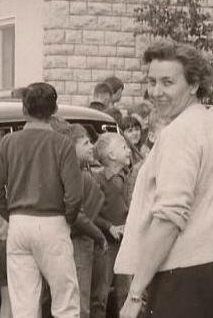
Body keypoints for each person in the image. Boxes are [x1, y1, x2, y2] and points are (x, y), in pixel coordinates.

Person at [115, 41, 213, 318]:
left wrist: (135, 293)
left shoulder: (181, 133)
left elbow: (169, 216)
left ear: (193, 85)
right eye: (152, 82)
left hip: (188, 280)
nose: (156, 92)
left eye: (168, 82)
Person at [0, 82, 83, 318]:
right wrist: (66, 219)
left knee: (24, 304)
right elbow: (75, 195)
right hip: (53, 222)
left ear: (23, 109)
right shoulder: (62, 144)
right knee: (65, 298)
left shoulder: (8, 143)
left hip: (19, 224)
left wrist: (12, 215)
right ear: (55, 109)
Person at [65, 125, 107, 318]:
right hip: (79, 240)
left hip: (83, 239)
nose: (92, 147)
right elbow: (77, 215)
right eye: (86, 143)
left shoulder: (80, 170)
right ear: (71, 147)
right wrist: (99, 236)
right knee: (80, 301)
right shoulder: (75, 174)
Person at [91, 132, 131, 318]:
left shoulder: (128, 177)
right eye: (123, 147)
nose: (129, 150)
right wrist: (109, 226)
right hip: (106, 246)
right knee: (101, 293)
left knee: (126, 291)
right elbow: (92, 213)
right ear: (112, 156)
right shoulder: (97, 181)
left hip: (125, 244)